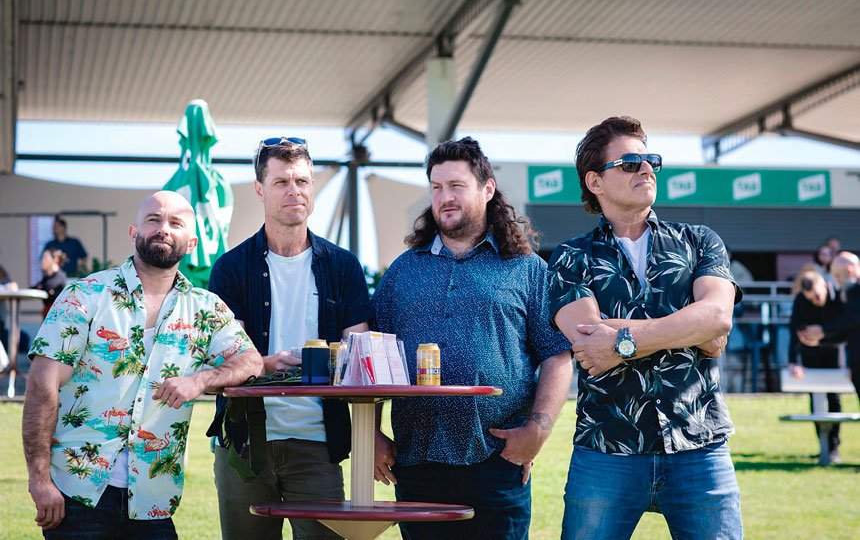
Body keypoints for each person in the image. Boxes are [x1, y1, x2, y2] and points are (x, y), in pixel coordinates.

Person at [22, 191, 262, 538]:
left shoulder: (206, 309)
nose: (164, 228)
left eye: (175, 223)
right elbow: (42, 385)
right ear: (134, 232)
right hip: (77, 494)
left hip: (153, 500)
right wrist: (39, 480)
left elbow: (251, 362)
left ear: (191, 243)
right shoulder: (85, 295)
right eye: (154, 219)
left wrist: (200, 380)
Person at [547, 116, 742, 540]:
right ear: (595, 182)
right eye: (630, 162)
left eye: (651, 159)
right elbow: (588, 343)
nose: (646, 168)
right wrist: (686, 327)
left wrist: (622, 339)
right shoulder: (569, 257)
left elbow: (717, 320)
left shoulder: (700, 241)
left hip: (699, 444)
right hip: (607, 450)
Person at [372, 137, 571, 540]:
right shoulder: (402, 272)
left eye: (456, 186)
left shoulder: (528, 270)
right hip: (417, 463)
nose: (444, 197)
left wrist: (539, 429)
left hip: (498, 462)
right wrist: (372, 433)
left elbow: (557, 354)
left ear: (487, 189)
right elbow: (373, 356)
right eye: (436, 188)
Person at [207, 137, 371, 540]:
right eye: (281, 182)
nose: (294, 191)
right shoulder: (230, 268)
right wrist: (263, 364)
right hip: (245, 442)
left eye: (302, 180)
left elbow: (360, 357)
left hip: (317, 441)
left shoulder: (344, 267)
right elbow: (219, 359)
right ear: (260, 190)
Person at [787, 267, 845, 462]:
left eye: (818, 296)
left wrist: (822, 332)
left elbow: (845, 326)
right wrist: (794, 361)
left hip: (832, 350)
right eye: (811, 298)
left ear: (824, 284)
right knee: (815, 398)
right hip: (810, 353)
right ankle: (823, 445)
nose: (815, 301)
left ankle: (834, 445)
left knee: (834, 399)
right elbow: (793, 330)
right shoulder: (802, 300)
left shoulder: (837, 297)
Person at [799, 252, 860, 407]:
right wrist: (820, 340)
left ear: (850, 270)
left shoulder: (855, 291)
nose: (838, 282)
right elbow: (849, 331)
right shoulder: (850, 292)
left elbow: (851, 320)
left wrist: (823, 330)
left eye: (839, 276)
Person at [33, 247, 68, 318]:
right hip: (48, 315)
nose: (42, 261)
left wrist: (41, 287)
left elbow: (48, 287)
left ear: (55, 259)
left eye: (45, 258)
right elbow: (36, 287)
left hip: (58, 316)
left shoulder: (60, 276)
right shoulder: (46, 278)